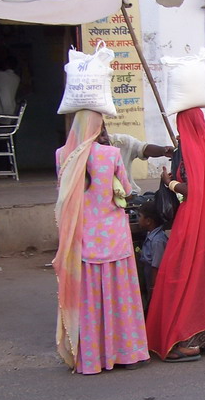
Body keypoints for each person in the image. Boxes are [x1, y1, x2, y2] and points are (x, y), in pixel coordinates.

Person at [53, 109, 150, 374]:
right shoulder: (111, 154)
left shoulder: (63, 155)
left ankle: (92, 358)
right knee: (120, 299)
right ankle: (127, 353)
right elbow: (127, 192)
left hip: (81, 239)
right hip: (114, 238)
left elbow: (62, 195)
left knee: (90, 303)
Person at [145, 106, 205, 362]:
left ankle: (187, 341)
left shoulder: (190, 151)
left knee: (183, 274)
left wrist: (169, 182)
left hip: (194, 218)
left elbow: (193, 189)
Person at [108, 132, 174, 194]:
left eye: (103, 130)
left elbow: (142, 148)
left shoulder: (118, 141)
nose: (103, 138)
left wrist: (162, 150)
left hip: (129, 196)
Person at [137, 199, 168, 312]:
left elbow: (156, 265)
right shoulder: (150, 235)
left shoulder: (157, 241)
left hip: (153, 277)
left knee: (154, 302)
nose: (138, 220)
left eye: (140, 216)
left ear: (148, 221)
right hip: (148, 273)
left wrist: (153, 287)